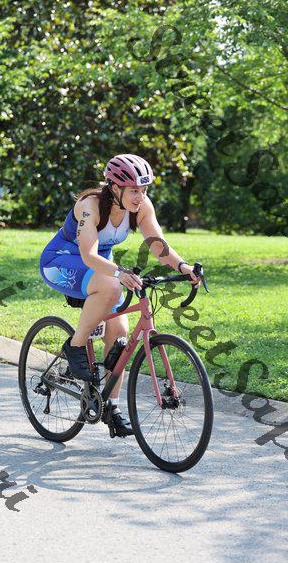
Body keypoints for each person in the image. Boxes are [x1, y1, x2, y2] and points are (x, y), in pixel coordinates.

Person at [39, 154, 200, 437]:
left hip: (100, 267)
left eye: (144, 190)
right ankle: (75, 346)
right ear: (115, 187)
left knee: (120, 336)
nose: (140, 197)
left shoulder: (141, 207)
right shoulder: (89, 206)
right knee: (113, 287)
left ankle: (110, 407)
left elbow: (158, 245)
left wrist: (183, 266)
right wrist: (118, 272)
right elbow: (88, 255)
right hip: (62, 261)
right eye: (134, 190)